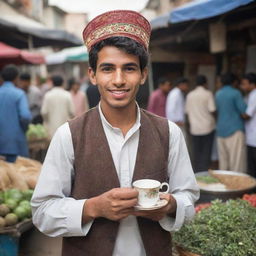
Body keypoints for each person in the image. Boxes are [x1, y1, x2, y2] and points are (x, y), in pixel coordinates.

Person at [31, 10, 199, 256]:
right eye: (108, 69)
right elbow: (42, 210)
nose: (118, 80)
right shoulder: (69, 135)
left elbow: (188, 196)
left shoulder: (169, 133)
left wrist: (170, 205)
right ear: (93, 75)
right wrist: (92, 208)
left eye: (129, 69)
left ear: (143, 75)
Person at [215, 72, 247, 172]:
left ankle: (224, 185)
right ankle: (236, 185)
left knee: (223, 161)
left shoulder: (218, 93)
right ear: (234, 82)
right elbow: (244, 111)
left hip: (220, 130)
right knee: (236, 162)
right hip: (235, 130)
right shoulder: (236, 93)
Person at [0, 65, 31, 162]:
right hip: (16, 143)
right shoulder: (19, 94)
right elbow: (25, 116)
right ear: (16, 78)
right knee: (19, 174)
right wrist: (24, 129)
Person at [185, 75, 216, 172]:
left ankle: (196, 173)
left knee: (196, 152)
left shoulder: (190, 95)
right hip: (208, 127)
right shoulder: (208, 94)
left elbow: (187, 112)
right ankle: (204, 172)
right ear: (205, 83)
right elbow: (212, 110)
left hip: (195, 128)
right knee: (206, 152)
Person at [240, 73, 256, 177]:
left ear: (252, 84)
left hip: (254, 136)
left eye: (244, 84)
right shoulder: (250, 95)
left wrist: (235, 114)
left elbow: (248, 115)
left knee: (253, 166)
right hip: (251, 135)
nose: (242, 86)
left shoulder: (254, 95)